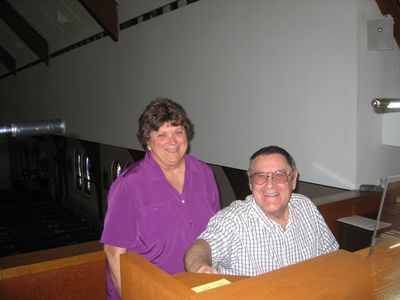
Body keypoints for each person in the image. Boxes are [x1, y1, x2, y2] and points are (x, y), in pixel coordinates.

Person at [101, 97, 220, 299]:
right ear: (148, 141)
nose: (172, 142)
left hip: (195, 289)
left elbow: (217, 232)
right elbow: (114, 254)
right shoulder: (129, 185)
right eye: (162, 134)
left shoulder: (204, 174)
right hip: (147, 291)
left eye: (178, 132)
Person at [185, 145, 338, 276]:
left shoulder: (305, 207)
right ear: (251, 184)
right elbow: (200, 247)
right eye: (260, 176)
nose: (269, 185)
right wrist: (199, 267)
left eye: (279, 175)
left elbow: (331, 257)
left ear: (293, 180)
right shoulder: (233, 220)